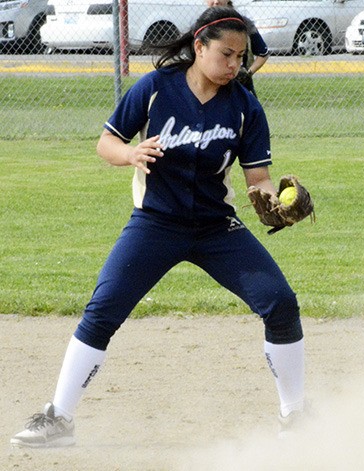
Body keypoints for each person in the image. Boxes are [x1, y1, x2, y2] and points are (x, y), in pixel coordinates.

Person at [11, 6, 307, 448]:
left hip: (215, 227)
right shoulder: (155, 88)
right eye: (226, 54)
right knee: (103, 309)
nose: (234, 65)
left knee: (280, 303)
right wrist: (130, 154)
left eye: (240, 57)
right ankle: (59, 418)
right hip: (155, 223)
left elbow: (257, 177)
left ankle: (295, 415)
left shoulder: (245, 106)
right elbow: (106, 142)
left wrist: (270, 199)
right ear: (199, 46)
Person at [206, 0, 270, 97]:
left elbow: (263, 54)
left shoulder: (243, 24)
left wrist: (247, 74)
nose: (216, 1)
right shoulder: (200, 27)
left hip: (240, 88)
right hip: (209, 89)